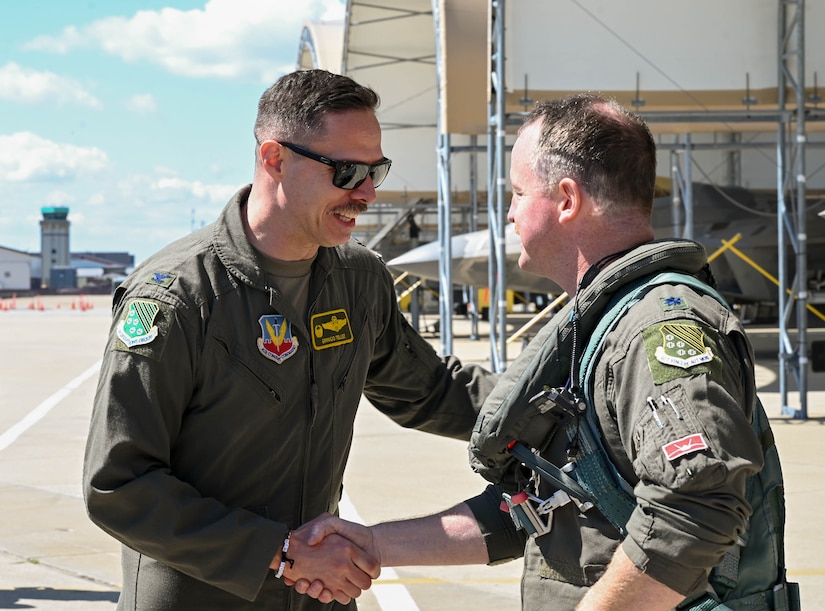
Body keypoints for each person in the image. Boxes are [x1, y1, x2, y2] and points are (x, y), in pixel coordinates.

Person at [296, 94, 794, 610]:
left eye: (516, 193)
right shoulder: (600, 330)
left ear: (566, 199)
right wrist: (373, 544)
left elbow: (697, 508)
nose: (509, 214)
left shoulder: (657, 329)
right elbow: (545, 506)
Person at [82, 69, 497, 610]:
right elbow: (119, 483)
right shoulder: (179, 298)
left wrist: (564, 412)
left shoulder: (358, 280)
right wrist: (278, 553)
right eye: (347, 172)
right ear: (275, 159)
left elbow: (432, 391)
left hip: (321, 593)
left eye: (376, 170)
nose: (368, 193)